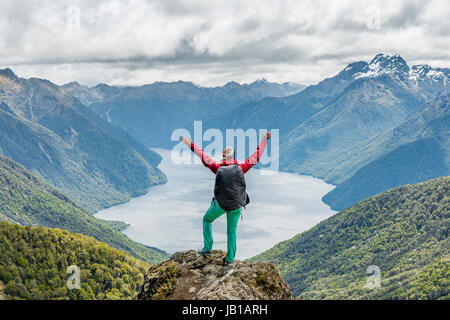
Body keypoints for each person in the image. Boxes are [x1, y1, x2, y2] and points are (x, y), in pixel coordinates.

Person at [181, 132, 271, 265]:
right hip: (236, 205)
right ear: (233, 157)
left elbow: (203, 155)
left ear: (223, 157)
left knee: (207, 220)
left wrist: (190, 144)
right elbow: (255, 156)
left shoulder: (218, 168)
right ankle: (229, 260)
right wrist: (264, 141)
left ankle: (207, 248)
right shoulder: (241, 167)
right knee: (231, 232)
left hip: (220, 205)